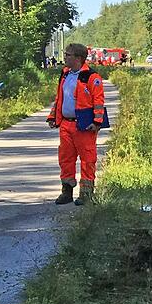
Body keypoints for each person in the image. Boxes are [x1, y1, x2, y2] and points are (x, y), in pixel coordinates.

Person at [47, 43, 108, 206]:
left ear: (78, 58)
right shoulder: (65, 74)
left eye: (68, 55)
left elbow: (98, 101)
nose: (65, 57)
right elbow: (60, 98)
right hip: (66, 124)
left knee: (88, 159)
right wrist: (53, 116)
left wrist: (97, 122)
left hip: (84, 126)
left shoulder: (91, 77)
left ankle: (86, 194)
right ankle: (66, 192)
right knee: (65, 158)